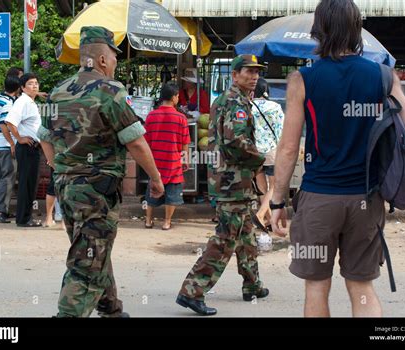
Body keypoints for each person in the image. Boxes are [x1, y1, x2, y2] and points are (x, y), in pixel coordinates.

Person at [270, 0, 405, 317]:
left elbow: (287, 148)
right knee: (362, 288)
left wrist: (276, 201)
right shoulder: (383, 76)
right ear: (357, 30)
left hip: (319, 198)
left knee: (316, 287)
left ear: (319, 31)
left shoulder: (302, 80)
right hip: (366, 198)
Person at [37, 26, 164, 318]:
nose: (116, 63)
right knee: (87, 260)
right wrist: (156, 179)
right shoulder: (111, 91)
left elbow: (44, 136)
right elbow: (135, 141)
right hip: (97, 191)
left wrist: (59, 165)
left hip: (67, 189)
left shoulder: (57, 92)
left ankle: (110, 307)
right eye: (115, 57)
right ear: (104, 59)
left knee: (90, 247)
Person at [176, 55, 268, 316]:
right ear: (235, 75)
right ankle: (192, 291)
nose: (254, 76)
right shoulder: (234, 102)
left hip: (233, 179)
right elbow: (235, 141)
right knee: (226, 238)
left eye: (257, 72)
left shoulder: (233, 100)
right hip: (232, 181)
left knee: (246, 234)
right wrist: (261, 159)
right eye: (248, 71)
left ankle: (252, 284)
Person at [144, 82, 191, 230]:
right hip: (173, 162)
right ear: (174, 97)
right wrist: (186, 160)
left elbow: (146, 142)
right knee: (172, 193)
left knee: (152, 191)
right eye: (178, 96)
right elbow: (185, 144)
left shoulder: (151, 116)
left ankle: (148, 220)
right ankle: (166, 222)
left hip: (155, 162)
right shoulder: (181, 118)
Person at [5, 73, 43, 228]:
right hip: (27, 147)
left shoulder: (30, 101)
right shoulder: (23, 102)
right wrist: (19, 139)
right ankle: (23, 219)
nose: (34, 86)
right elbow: (9, 122)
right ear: (22, 88)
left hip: (33, 148)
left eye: (36, 83)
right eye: (30, 84)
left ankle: (25, 217)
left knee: (30, 183)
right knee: (26, 184)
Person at [251, 78, 284, 231]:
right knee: (275, 185)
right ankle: (261, 214)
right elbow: (281, 130)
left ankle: (269, 220)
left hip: (254, 151)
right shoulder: (275, 107)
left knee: (262, 186)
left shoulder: (248, 107)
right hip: (271, 150)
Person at [0, 75, 20, 223]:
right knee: (8, 177)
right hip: (4, 145)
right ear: (18, 88)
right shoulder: (9, 103)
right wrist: (12, 143)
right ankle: (0, 210)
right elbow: (4, 124)